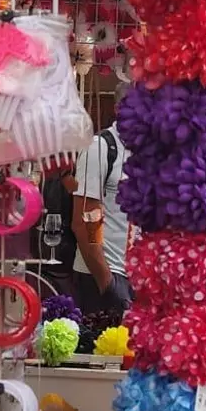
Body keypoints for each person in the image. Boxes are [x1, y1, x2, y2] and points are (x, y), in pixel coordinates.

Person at [72, 116, 131, 312]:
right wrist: (106, 281)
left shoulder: (147, 152)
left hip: (138, 274)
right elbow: (85, 219)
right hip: (106, 274)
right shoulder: (101, 147)